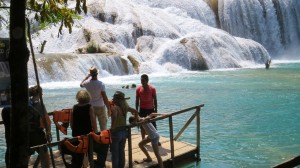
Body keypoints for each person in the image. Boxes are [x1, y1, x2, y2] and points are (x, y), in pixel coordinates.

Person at [70, 90, 98, 168]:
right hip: (87, 134)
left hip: (77, 135)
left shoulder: (74, 107)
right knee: (90, 154)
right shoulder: (89, 107)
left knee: (78, 155)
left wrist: (75, 131)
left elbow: (71, 123)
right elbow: (93, 122)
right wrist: (95, 133)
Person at [110, 91, 138, 168]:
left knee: (115, 154)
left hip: (116, 132)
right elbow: (136, 111)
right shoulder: (125, 107)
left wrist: (112, 128)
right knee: (121, 152)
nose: (112, 99)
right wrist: (134, 122)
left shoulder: (115, 108)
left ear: (117, 100)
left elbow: (115, 117)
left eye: (114, 98)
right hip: (124, 132)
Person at [80, 66, 111, 131]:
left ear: (90, 75)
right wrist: (108, 108)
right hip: (100, 106)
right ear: (97, 74)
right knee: (103, 125)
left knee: (93, 126)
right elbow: (104, 97)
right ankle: (103, 139)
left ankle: (94, 140)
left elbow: (81, 84)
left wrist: (86, 77)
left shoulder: (87, 83)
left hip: (90, 106)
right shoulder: (101, 84)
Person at [28, 85, 52, 168]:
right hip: (38, 134)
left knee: (27, 156)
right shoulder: (40, 105)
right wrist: (48, 133)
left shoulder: (26, 103)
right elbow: (47, 121)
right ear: (39, 94)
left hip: (27, 134)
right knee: (45, 156)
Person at [135, 74, 158, 140]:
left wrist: (155, 110)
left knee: (153, 124)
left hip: (151, 109)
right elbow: (137, 100)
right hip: (142, 109)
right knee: (142, 125)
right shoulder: (138, 89)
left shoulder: (152, 89)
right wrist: (136, 111)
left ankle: (156, 139)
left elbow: (155, 99)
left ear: (147, 80)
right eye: (141, 80)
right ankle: (143, 139)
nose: (142, 82)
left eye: (143, 80)